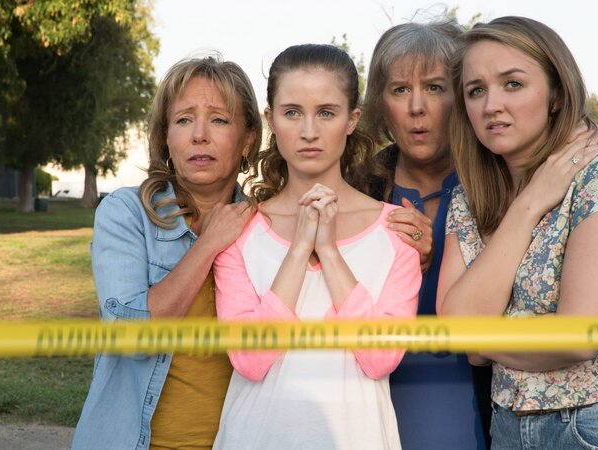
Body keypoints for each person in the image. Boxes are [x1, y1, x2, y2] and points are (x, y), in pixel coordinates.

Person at [438, 16, 598, 449]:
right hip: (509, 427)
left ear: (555, 95)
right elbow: (453, 325)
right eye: (476, 90)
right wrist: (529, 204)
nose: (491, 104)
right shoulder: (469, 197)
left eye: (513, 84)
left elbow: (579, 336)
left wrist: (479, 338)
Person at [212, 44, 421, 450]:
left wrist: (328, 250)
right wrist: (298, 249)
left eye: (326, 112)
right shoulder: (239, 230)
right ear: (271, 120)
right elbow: (249, 361)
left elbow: (380, 359)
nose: (309, 131)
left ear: (351, 119)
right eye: (292, 113)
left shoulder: (397, 231)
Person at [72, 56, 262, 450]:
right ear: (166, 138)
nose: (199, 135)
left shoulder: (267, 226)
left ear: (247, 139)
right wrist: (208, 244)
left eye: (219, 120)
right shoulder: (126, 213)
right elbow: (131, 337)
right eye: (184, 119)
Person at [360, 19, 489, 450]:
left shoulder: (499, 184)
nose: (416, 107)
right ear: (380, 104)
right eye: (400, 90)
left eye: (434, 87)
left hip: (483, 405)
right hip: (369, 406)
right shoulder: (355, 188)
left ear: (463, 95)